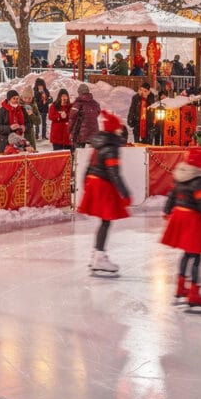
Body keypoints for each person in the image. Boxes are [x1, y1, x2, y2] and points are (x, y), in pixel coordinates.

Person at [161, 146, 201, 309]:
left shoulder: (180, 175)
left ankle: (180, 287)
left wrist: (167, 210)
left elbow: (172, 195)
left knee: (186, 254)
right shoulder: (199, 180)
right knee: (196, 256)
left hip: (180, 216)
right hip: (193, 220)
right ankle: (194, 294)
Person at [77, 110, 131, 275]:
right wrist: (125, 192)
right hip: (103, 185)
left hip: (95, 182)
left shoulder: (98, 144)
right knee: (106, 220)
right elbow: (114, 172)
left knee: (104, 221)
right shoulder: (111, 147)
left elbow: (88, 166)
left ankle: (97, 253)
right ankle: (99, 256)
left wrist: (86, 183)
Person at [69, 83, 102, 149]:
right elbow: (98, 113)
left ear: (79, 93)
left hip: (80, 132)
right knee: (92, 153)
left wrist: (69, 130)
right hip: (94, 131)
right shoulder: (95, 103)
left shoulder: (78, 103)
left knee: (78, 152)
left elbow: (72, 118)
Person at [0, 89, 26, 155]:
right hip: (4, 142)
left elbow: (26, 123)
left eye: (17, 98)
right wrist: (10, 128)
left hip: (17, 141)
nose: (16, 101)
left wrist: (24, 127)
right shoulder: (1, 111)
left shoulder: (21, 110)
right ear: (9, 100)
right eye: (14, 98)